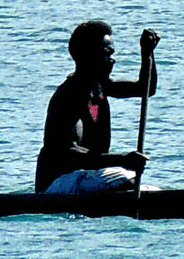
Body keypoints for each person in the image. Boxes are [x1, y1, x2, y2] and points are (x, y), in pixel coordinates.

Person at [35, 20, 159, 194]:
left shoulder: (101, 86)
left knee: (149, 190)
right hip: (58, 184)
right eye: (107, 54)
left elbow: (146, 89)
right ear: (88, 56)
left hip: (88, 178)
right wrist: (122, 159)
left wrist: (147, 54)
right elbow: (69, 154)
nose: (113, 60)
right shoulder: (68, 96)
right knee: (127, 181)